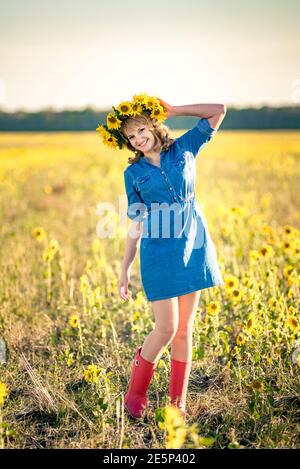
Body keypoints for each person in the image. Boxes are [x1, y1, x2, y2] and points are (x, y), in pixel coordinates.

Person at [100, 94, 227, 419]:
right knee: (166, 327)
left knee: (185, 329)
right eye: (131, 136)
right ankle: (136, 392)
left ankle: (177, 403)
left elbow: (218, 109)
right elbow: (136, 222)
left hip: (194, 246)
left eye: (141, 129)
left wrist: (176, 110)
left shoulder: (184, 149)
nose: (138, 139)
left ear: (154, 125)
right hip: (157, 251)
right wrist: (125, 268)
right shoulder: (133, 173)